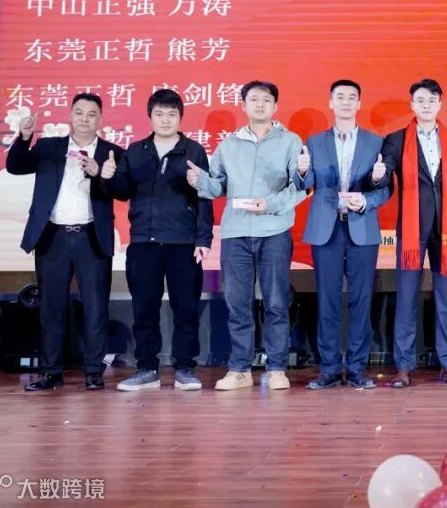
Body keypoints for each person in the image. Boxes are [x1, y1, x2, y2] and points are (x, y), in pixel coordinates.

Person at [188, 80, 305, 391]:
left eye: (266, 100)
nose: (260, 104)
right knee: (237, 303)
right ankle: (239, 369)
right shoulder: (229, 144)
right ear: (244, 105)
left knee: (276, 302)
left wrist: (269, 204)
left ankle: (277, 367)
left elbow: (299, 188)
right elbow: (217, 186)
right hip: (236, 233)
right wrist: (200, 180)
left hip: (274, 230)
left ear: (275, 106)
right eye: (254, 99)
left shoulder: (291, 142)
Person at [7, 93, 123, 392]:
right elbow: (15, 166)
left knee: (95, 307)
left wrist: (100, 174)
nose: (84, 119)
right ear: (70, 115)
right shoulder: (49, 147)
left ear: (100, 119)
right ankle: (51, 372)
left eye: (91, 114)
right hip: (53, 237)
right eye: (79, 112)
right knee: (51, 307)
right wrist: (24, 137)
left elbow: (124, 190)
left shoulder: (112, 153)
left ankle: (94, 372)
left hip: (91, 237)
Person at [103, 89, 213, 391]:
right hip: (143, 243)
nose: (165, 120)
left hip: (183, 243)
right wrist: (108, 176)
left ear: (180, 117)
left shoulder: (193, 151)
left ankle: (185, 368)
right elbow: (122, 191)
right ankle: (147, 369)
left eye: (171, 114)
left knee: (186, 309)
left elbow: (204, 197)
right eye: (159, 114)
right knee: (144, 309)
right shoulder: (135, 151)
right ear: (150, 117)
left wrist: (203, 239)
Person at [368, 79, 447, 388]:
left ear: (440, 105)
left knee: (446, 298)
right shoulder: (396, 139)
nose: (426, 105)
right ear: (412, 105)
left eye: (431, 100)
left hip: (445, 227)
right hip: (411, 230)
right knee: (407, 297)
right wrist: (377, 176)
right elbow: (385, 176)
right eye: (420, 100)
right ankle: (404, 367)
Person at [297, 80, 390, 390]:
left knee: (362, 301)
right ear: (331, 102)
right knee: (328, 299)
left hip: (361, 227)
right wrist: (301, 171)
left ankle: (358, 368)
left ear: (359, 104)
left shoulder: (376, 143)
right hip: (327, 229)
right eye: (340, 97)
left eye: (352, 97)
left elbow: (385, 189)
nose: (346, 102)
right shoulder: (314, 142)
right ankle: (329, 369)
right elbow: (305, 184)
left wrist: (366, 198)